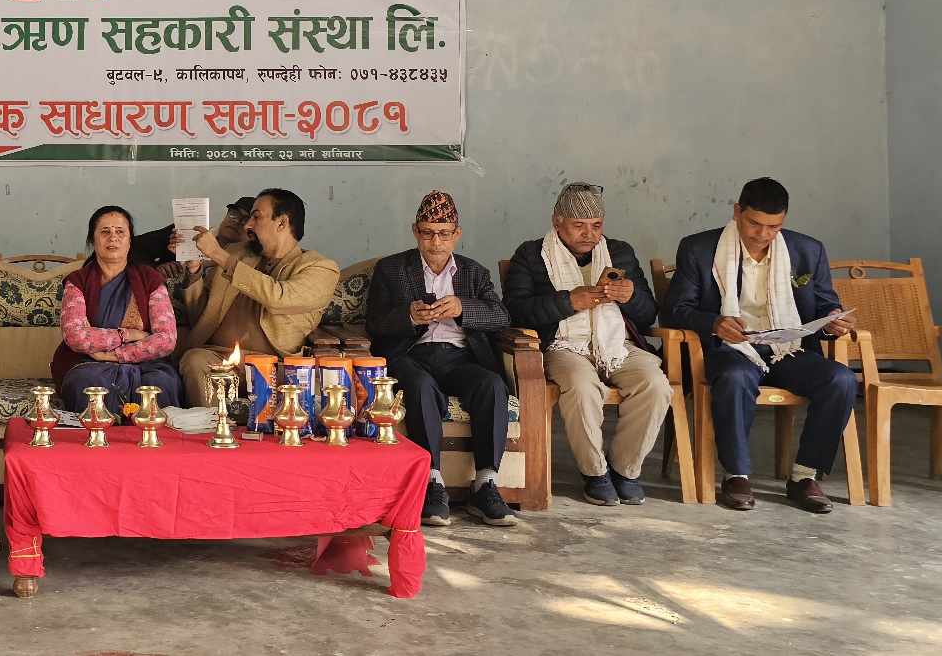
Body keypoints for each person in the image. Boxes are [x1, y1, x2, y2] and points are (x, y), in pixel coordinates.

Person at [665, 177, 857, 514]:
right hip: (730, 349)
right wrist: (715, 323)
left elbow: (826, 305)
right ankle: (736, 475)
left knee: (841, 380)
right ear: (737, 211)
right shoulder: (699, 249)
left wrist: (833, 321)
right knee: (736, 377)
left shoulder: (807, 250)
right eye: (754, 223)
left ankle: (805, 476)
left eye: (774, 227)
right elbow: (674, 310)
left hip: (788, 349)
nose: (763, 234)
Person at [502, 182, 665, 506]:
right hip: (563, 345)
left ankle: (625, 471)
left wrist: (631, 297)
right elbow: (515, 312)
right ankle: (595, 473)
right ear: (557, 221)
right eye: (578, 225)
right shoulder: (532, 255)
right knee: (581, 385)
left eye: (596, 225)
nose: (589, 234)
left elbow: (648, 314)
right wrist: (568, 302)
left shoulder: (619, 252)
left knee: (655, 385)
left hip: (617, 345)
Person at [367, 189, 517, 528]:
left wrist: (463, 308)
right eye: (428, 233)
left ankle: (486, 483)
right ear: (415, 231)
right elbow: (374, 323)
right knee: (420, 387)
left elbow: (500, 316)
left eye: (444, 234)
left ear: (457, 234)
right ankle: (432, 480)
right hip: (411, 355)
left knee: (492, 385)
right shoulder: (391, 269)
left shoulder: (473, 273)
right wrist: (409, 316)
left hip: (460, 357)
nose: (436, 242)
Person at [175, 189, 340, 408]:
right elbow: (202, 314)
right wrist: (194, 270)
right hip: (218, 356)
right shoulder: (238, 253)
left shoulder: (320, 268)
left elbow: (279, 298)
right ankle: (213, 427)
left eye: (256, 217)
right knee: (194, 359)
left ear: (282, 222)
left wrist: (219, 255)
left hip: (277, 367)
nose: (247, 226)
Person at [52, 206, 182, 412]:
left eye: (120, 232)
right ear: (93, 240)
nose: (113, 237)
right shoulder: (78, 281)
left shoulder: (150, 279)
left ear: (130, 240)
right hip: (89, 363)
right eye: (105, 232)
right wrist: (127, 335)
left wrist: (116, 356)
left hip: (145, 363)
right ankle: (96, 432)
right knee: (86, 382)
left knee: (161, 383)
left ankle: (151, 434)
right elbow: (75, 336)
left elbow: (167, 339)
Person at [129, 195, 254, 270]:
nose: (236, 222)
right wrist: (156, 270)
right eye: (233, 215)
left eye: (245, 220)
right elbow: (133, 247)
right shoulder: (190, 231)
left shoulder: (247, 265)